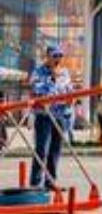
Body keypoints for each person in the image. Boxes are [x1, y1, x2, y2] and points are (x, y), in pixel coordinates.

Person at [29, 46, 74, 189]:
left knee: (55, 150)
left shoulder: (65, 73)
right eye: (55, 56)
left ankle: (50, 181)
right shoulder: (38, 72)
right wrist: (52, 79)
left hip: (60, 115)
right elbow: (38, 90)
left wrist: (71, 98)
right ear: (47, 56)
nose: (58, 59)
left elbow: (69, 89)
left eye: (60, 56)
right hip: (44, 116)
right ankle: (35, 183)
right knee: (42, 149)